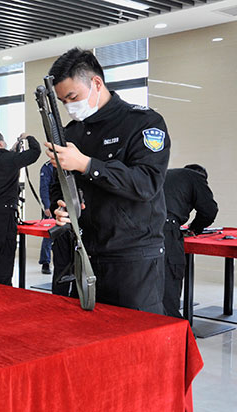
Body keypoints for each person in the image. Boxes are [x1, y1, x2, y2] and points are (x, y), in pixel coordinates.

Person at [47, 48, 170, 315]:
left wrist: (87, 165)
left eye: (73, 97)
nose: (69, 107)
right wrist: (62, 205)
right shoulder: (72, 132)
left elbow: (146, 183)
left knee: (136, 333)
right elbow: (59, 182)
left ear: (96, 83)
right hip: (86, 253)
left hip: (132, 256)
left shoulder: (143, 123)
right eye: (62, 101)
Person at [0, 131, 40, 285]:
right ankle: (3, 288)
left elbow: (1, 161)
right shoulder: (11, 159)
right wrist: (28, 137)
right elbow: (35, 152)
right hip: (5, 213)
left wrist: (12, 151)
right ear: (1, 143)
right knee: (5, 252)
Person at [162, 164, 218, 318]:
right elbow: (209, 210)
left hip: (137, 232)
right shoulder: (196, 177)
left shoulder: (167, 174)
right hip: (166, 232)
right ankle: (171, 329)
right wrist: (195, 229)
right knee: (169, 286)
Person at [38, 161, 55, 274]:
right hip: (52, 206)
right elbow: (44, 188)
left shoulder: (67, 164)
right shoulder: (47, 167)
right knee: (48, 235)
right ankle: (45, 262)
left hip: (65, 204)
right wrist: (47, 206)